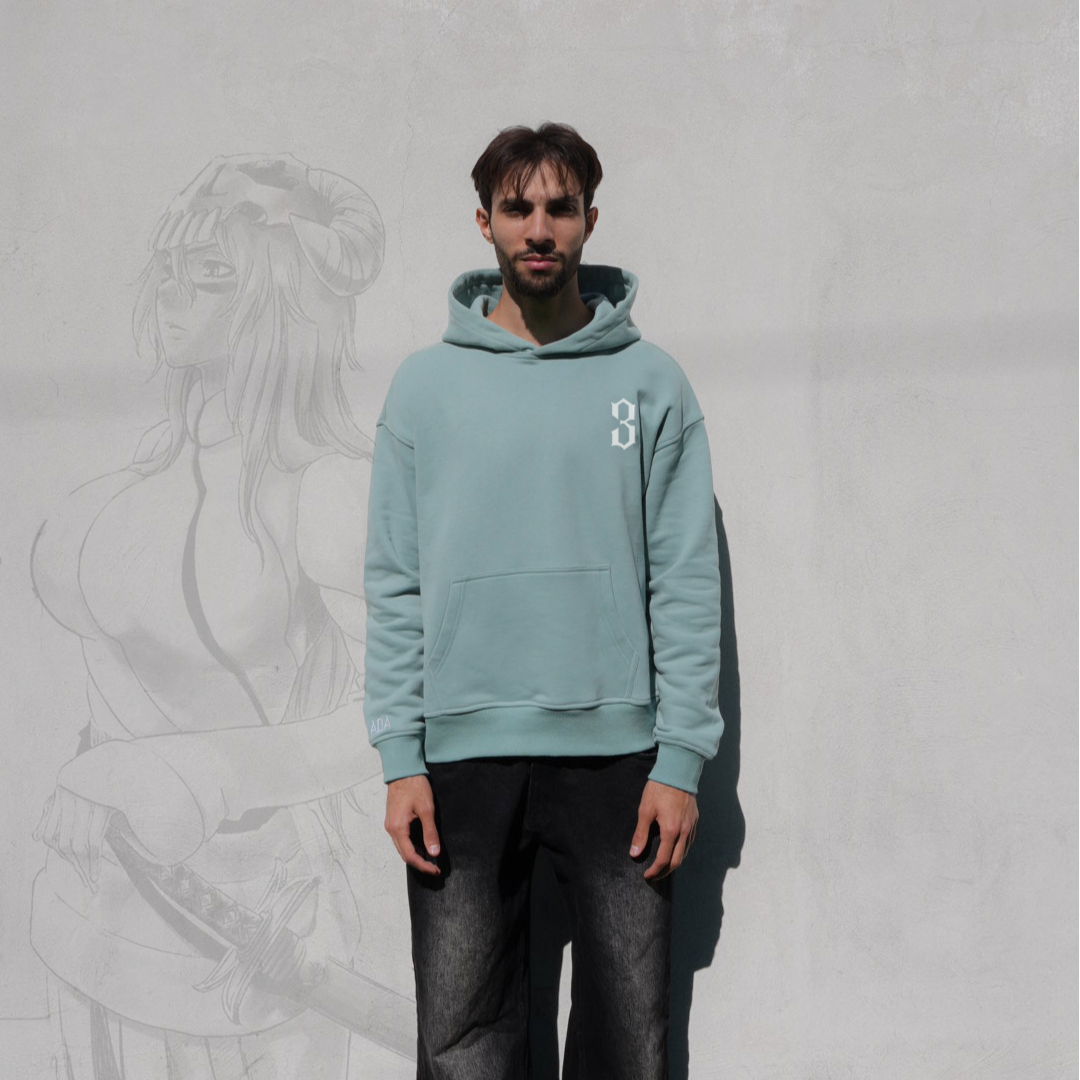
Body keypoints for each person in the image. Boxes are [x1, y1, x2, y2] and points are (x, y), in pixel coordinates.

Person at [363, 122, 724, 1079]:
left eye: (560, 208)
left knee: (628, 1045)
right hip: (459, 760)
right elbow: (394, 580)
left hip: (620, 760)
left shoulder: (649, 383)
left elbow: (685, 578)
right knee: (463, 1045)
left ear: (589, 222)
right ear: (483, 221)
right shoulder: (423, 388)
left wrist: (681, 760)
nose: (538, 229)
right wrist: (399, 756)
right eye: (517, 208)